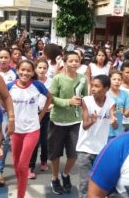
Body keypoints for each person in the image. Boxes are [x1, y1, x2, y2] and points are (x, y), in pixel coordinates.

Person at [7, 60, 52, 198]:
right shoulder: (9, 86)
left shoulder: (38, 85)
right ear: (17, 70)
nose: (25, 73)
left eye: (28, 71)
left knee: (22, 165)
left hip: (32, 130)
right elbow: (2, 99)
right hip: (15, 131)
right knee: (15, 164)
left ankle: (20, 194)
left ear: (32, 73)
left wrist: (42, 114)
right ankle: (21, 183)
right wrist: (9, 116)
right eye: (22, 70)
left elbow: (50, 98)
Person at [48, 51, 88, 194]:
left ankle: (65, 174)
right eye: (70, 61)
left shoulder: (83, 79)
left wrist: (85, 116)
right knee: (55, 153)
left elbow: (86, 98)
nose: (73, 63)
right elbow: (51, 98)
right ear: (64, 62)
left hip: (75, 122)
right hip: (57, 121)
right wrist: (68, 102)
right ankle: (54, 178)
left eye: (76, 61)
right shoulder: (58, 78)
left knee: (73, 154)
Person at [76, 75, 116, 198]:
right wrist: (92, 121)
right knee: (84, 183)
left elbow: (114, 123)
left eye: (97, 86)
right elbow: (85, 126)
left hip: (101, 149)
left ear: (106, 88)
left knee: (100, 182)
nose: (93, 88)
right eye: (92, 85)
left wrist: (114, 121)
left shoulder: (111, 103)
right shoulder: (86, 101)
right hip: (85, 148)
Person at [0, 48, 17, 185]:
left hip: (5, 113)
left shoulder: (14, 74)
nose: (3, 60)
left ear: (10, 59)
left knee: (4, 141)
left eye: (6, 57)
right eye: (1, 57)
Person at [29, 59, 52, 179]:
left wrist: (49, 106)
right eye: (40, 67)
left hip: (47, 113)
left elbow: (53, 97)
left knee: (44, 139)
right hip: (32, 114)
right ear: (35, 69)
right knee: (34, 140)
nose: (42, 70)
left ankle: (44, 161)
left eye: (45, 68)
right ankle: (30, 167)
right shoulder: (31, 82)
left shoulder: (51, 82)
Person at [107, 71, 129, 140]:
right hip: (105, 131)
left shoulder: (125, 94)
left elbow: (126, 114)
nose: (117, 81)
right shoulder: (105, 93)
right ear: (109, 80)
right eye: (114, 79)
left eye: (119, 79)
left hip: (118, 131)